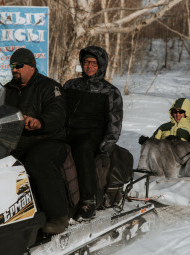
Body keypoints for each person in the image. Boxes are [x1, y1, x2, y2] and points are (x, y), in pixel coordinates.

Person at [4, 48, 69, 234]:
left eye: (18, 66)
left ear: (31, 67)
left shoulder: (49, 87)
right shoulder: (8, 89)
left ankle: (58, 216)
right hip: (18, 140)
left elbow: (57, 113)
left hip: (49, 139)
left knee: (38, 161)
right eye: (12, 66)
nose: (14, 69)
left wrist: (40, 121)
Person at [63, 46, 123, 219]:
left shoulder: (111, 92)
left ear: (101, 65)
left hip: (91, 135)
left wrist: (106, 147)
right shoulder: (71, 85)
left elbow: (115, 123)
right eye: (86, 62)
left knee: (82, 150)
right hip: (66, 131)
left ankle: (88, 200)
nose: (89, 66)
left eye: (93, 63)